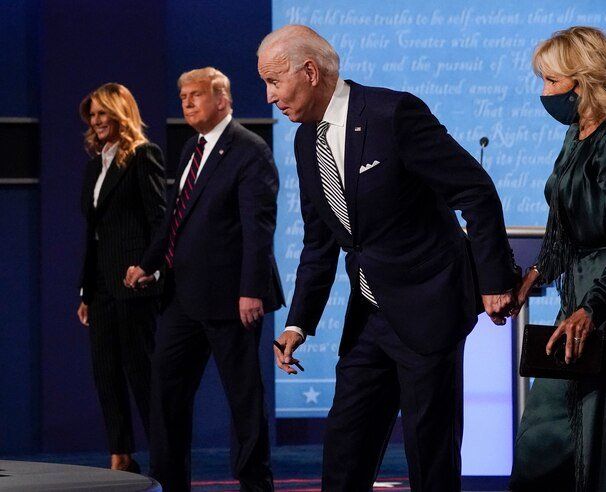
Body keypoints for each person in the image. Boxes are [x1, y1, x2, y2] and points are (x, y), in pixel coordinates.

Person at [258, 25, 518, 492]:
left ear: (310, 72)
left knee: (429, 458)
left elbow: (475, 191)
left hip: (429, 307)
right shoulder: (304, 143)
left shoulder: (391, 113)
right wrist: (298, 323)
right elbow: (320, 242)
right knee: (345, 451)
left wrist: (494, 281)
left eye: (275, 81)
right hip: (369, 318)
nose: (270, 97)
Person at [509, 27, 606, 492]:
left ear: (583, 81)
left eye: (551, 81)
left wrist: (593, 308)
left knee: (603, 426)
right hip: (580, 291)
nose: (544, 93)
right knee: (545, 432)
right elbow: (562, 228)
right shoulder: (577, 135)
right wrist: (531, 279)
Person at [125, 67, 284, 491]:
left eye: (195, 95)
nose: (187, 103)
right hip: (182, 297)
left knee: (243, 400)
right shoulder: (190, 150)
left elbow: (258, 228)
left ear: (223, 99)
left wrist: (251, 290)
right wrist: (149, 263)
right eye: (182, 97)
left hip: (233, 300)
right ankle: (169, 482)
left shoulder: (250, 151)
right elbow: (175, 220)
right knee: (166, 394)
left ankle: (254, 483)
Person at [77, 82, 166, 473]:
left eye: (102, 113)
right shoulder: (95, 165)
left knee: (141, 373)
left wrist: (150, 268)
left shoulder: (143, 156)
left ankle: (164, 455)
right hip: (100, 289)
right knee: (106, 373)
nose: (96, 121)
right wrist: (86, 291)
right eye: (92, 115)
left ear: (120, 114)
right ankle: (121, 455)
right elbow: (93, 235)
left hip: (133, 284)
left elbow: (159, 220)